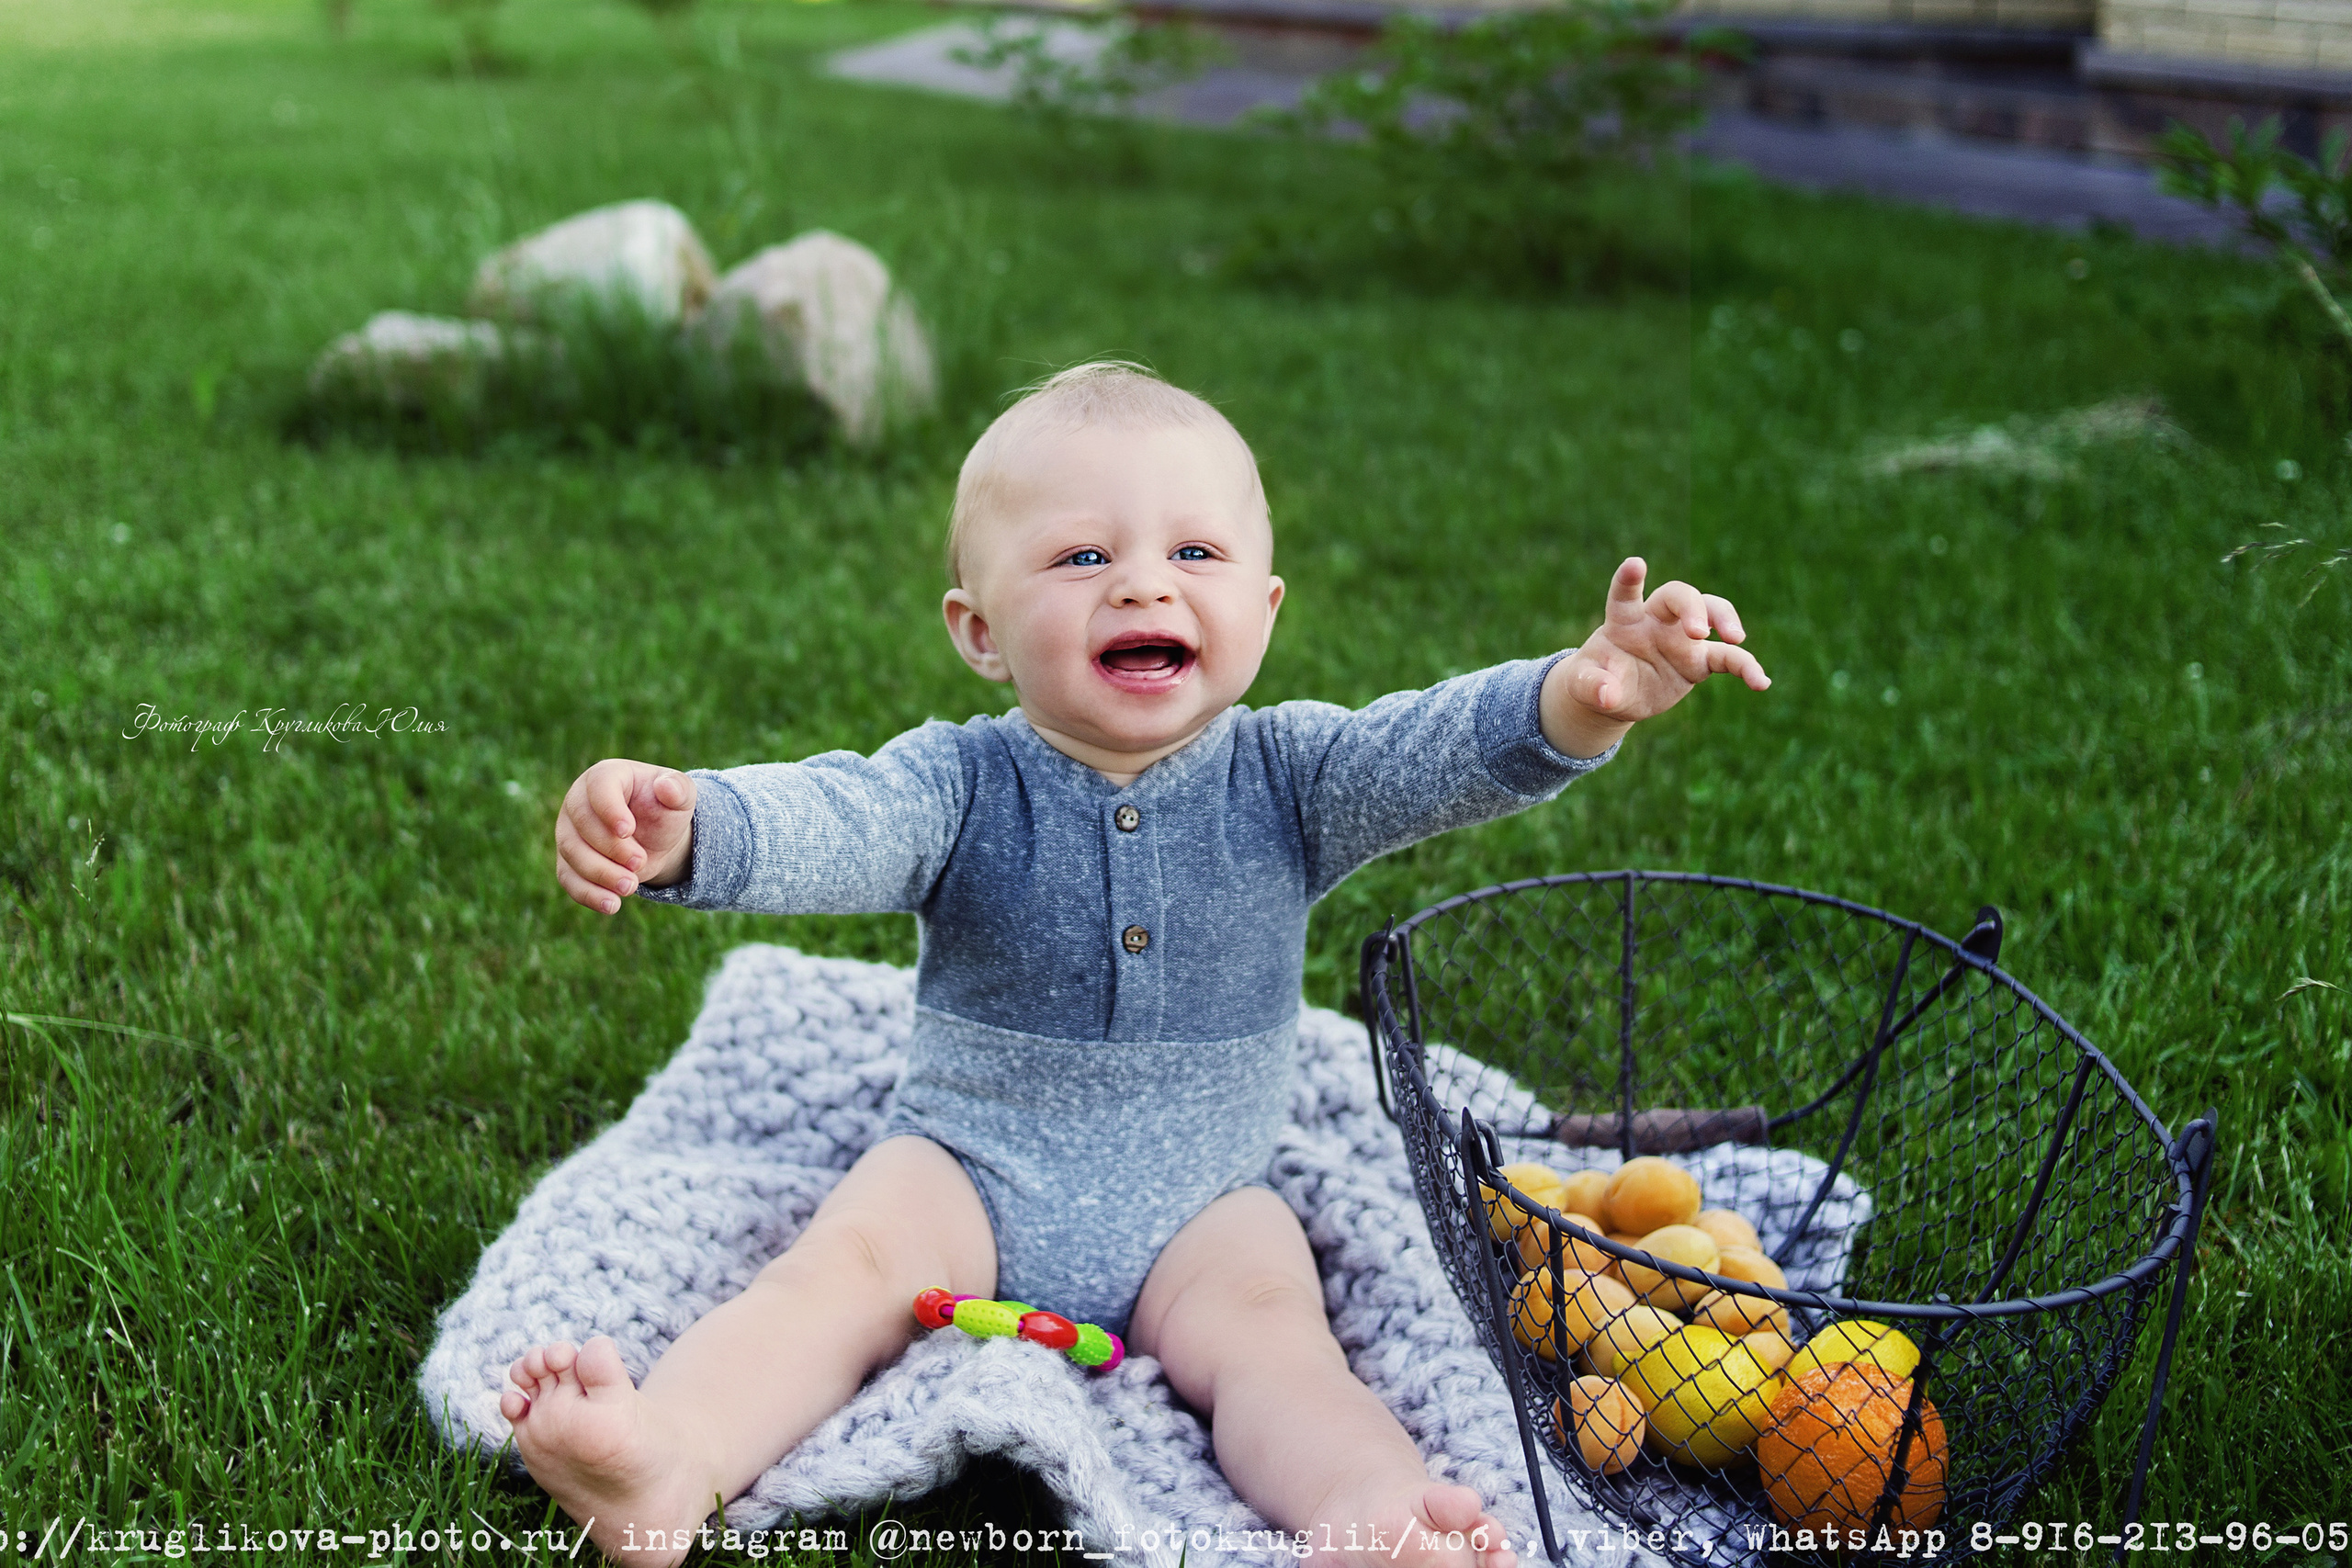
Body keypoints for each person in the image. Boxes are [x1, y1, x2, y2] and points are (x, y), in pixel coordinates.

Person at [501, 362, 1769, 1568]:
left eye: (1196, 554)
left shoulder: (1292, 779)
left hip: (1203, 1202)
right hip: (966, 1163)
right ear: (980, 630)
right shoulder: (959, 782)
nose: (1144, 588)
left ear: (1263, 613)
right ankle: (670, 1460)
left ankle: (1372, 1515)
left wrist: (1580, 695)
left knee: (1281, 1349)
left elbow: (1428, 747)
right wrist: (695, 829)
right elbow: (843, 820)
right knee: (837, 1275)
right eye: (1082, 556)